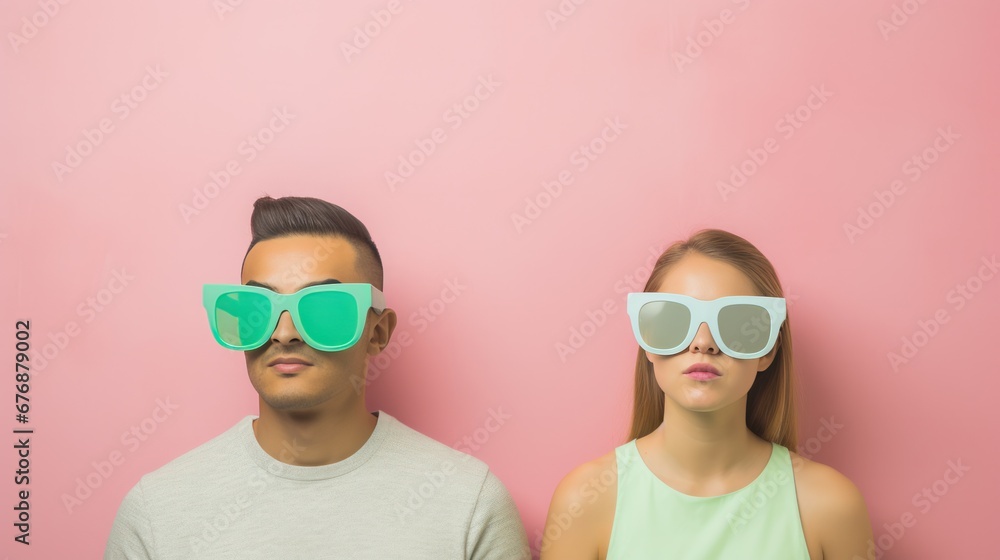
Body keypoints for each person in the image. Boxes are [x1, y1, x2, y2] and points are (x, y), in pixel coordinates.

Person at [104, 195, 529, 559]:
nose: (283, 333)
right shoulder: (158, 510)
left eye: (324, 309)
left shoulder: (469, 504)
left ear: (377, 333)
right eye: (254, 308)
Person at [540, 229, 872, 559]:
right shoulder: (585, 501)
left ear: (768, 350)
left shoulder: (830, 507)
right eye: (673, 319)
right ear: (647, 341)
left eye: (737, 323)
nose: (703, 343)